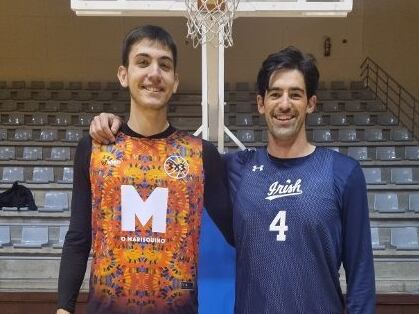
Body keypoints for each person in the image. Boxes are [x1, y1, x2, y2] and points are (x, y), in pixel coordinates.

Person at [89, 46, 376, 313]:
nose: (285, 104)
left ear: (311, 103)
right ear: (261, 104)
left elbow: (361, 276)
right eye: (275, 94)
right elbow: (160, 152)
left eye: (295, 94)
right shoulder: (235, 167)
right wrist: (113, 125)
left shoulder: (342, 173)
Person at [57, 25, 233, 314]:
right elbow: (78, 237)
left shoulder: (201, 155)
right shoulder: (94, 148)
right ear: (123, 75)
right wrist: (64, 307)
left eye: (164, 65)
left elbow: (239, 232)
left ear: (175, 81)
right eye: (143, 62)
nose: (154, 73)